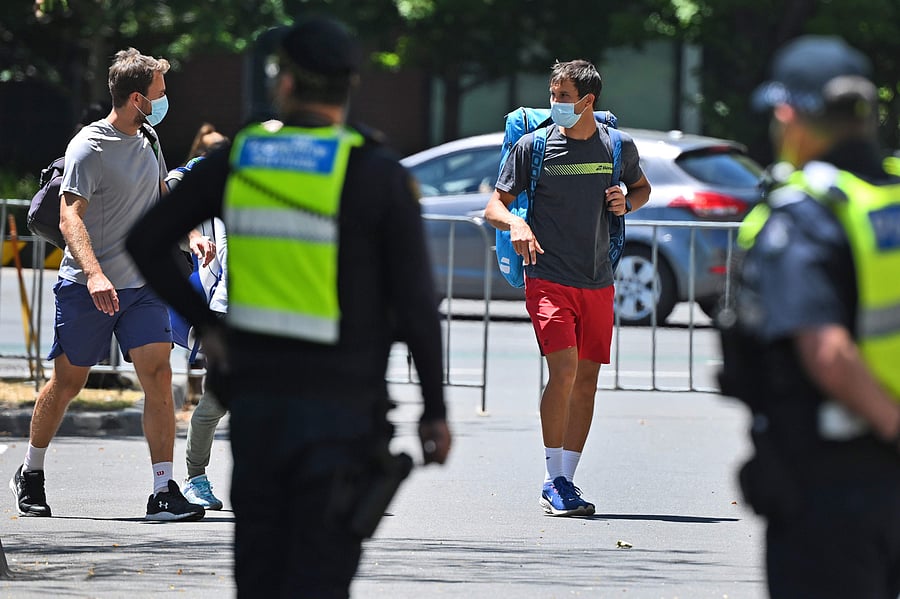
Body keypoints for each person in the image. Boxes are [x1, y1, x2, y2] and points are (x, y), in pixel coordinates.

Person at [126, 16, 451, 597]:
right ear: (349, 86)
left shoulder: (245, 157)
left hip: (260, 408)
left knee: (260, 574)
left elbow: (146, 242)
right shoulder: (375, 170)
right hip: (343, 413)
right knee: (321, 577)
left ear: (284, 84)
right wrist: (434, 409)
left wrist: (207, 325)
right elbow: (417, 301)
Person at [719, 35, 900, 598]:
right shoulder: (890, 197)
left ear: (788, 115)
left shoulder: (807, 214)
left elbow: (827, 352)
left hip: (835, 481)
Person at [9, 47, 215, 522]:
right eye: (161, 92)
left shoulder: (149, 138)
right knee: (68, 381)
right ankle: (31, 471)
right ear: (139, 97)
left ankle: (163, 490)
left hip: (141, 288)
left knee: (160, 376)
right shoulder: (90, 145)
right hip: (88, 286)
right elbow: (69, 216)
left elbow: (161, 195)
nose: (166, 100)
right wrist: (96, 272)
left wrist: (191, 235)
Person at [484, 60, 651, 516]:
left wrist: (626, 202)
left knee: (587, 379)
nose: (554, 103)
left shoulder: (617, 145)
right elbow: (494, 205)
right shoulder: (532, 146)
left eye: (562, 96)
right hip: (547, 276)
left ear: (587, 101)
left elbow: (641, 189)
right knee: (564, 370)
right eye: (552, 94)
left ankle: (566, 479)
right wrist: (516, 222)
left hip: (599, 278)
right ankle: (552, 478)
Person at [165, 127, 231, 511]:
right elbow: (170, 186)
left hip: (275, 316)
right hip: (226, 313)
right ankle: (195, 478)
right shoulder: (217, 191)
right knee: (215, 404)